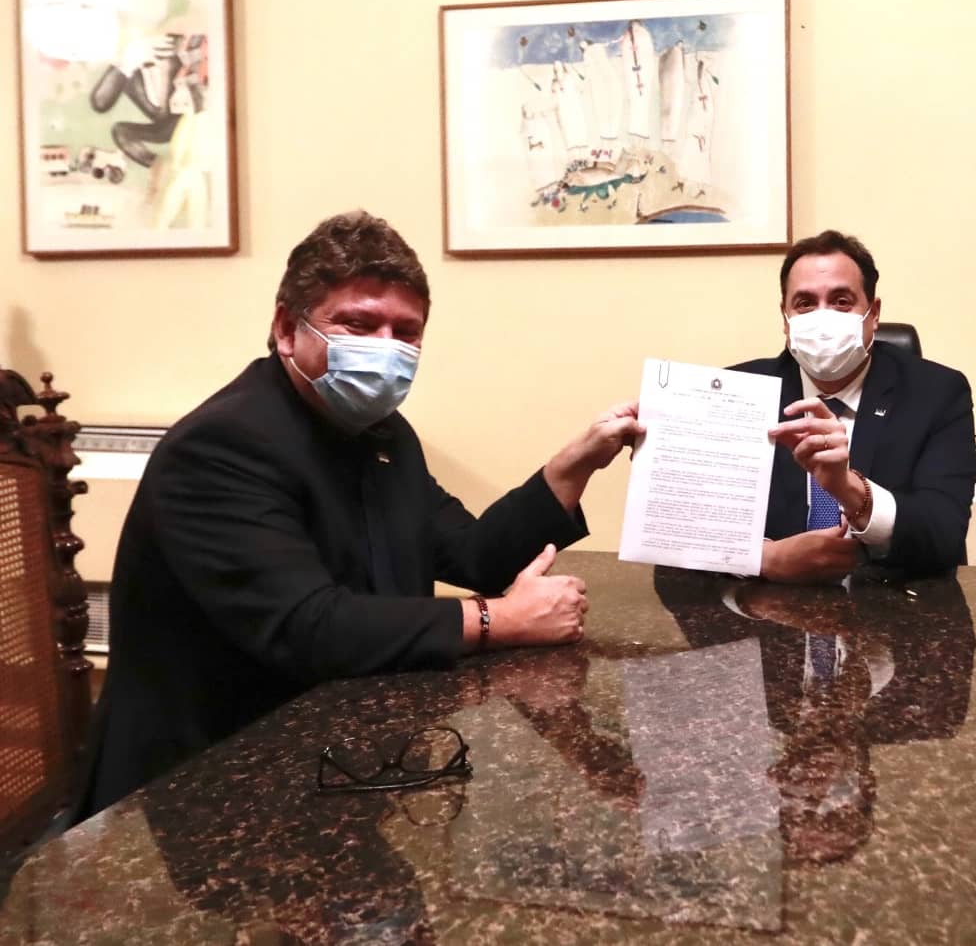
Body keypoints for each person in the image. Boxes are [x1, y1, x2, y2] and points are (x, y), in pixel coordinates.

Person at [77, 210, 642, 817]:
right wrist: (499, 619)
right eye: (358, 324)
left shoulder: (381, 434)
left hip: (336, 753)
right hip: (201, 787)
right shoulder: (222, 445)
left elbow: (473, 555)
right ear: (287, 329)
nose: (385, 348)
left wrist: (575, 465)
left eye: (406, 331)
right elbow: (309, 626)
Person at [731, 230, 976, 582]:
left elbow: (944, 536)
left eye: (841, 301)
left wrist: (848, 488)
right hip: (765, 604)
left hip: (893, 605)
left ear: (873, 314)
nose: (823, 318)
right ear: (785, 320)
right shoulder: (739, 392)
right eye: (805, 303)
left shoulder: (936, 394)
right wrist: (763, 559)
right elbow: (685, 530)